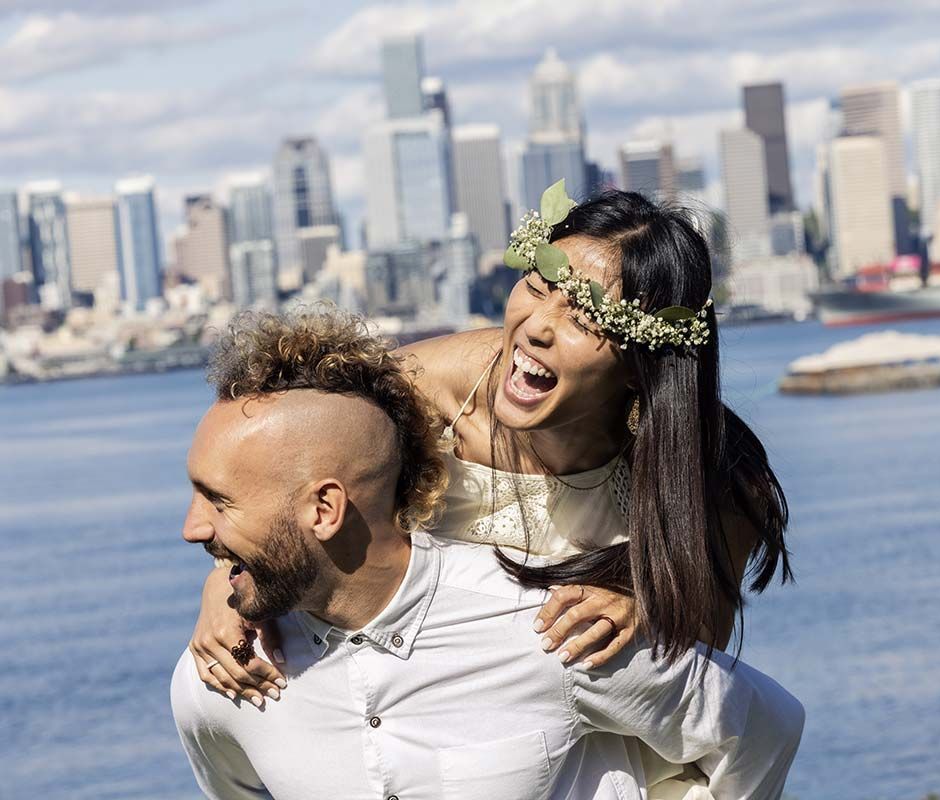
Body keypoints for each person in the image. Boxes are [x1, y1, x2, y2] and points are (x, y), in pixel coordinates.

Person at [187, 185, 794, 794]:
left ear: (641, 364)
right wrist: (229, 583)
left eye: (584, 317)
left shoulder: (713, 483)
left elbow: (700, 685)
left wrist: (648, 606)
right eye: (536, 285)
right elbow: (278, 473)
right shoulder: (419, 395)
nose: (537, 328)